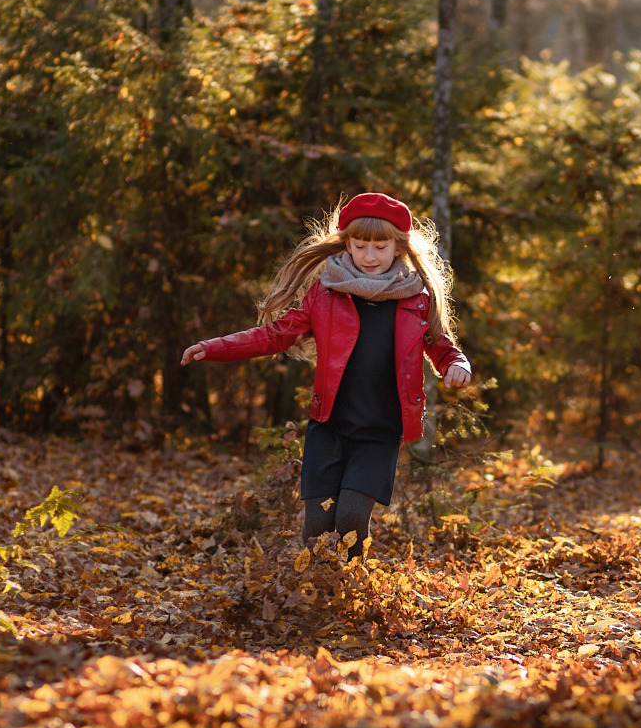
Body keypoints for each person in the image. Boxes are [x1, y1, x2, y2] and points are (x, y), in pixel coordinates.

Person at [181, 193, 471, 557]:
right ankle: (310, 590)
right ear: (346, 243)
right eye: (360, 244)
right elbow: (276, 334)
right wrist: (216, 347)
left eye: (379, 246)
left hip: (380, 430)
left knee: (350, 517)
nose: (369, 256)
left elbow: (441, 345)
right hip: (329, 425)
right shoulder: (325, 293)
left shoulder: (416, 299)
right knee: (319, 523)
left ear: (397, 248)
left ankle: (351, 591)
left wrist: (457, 366)